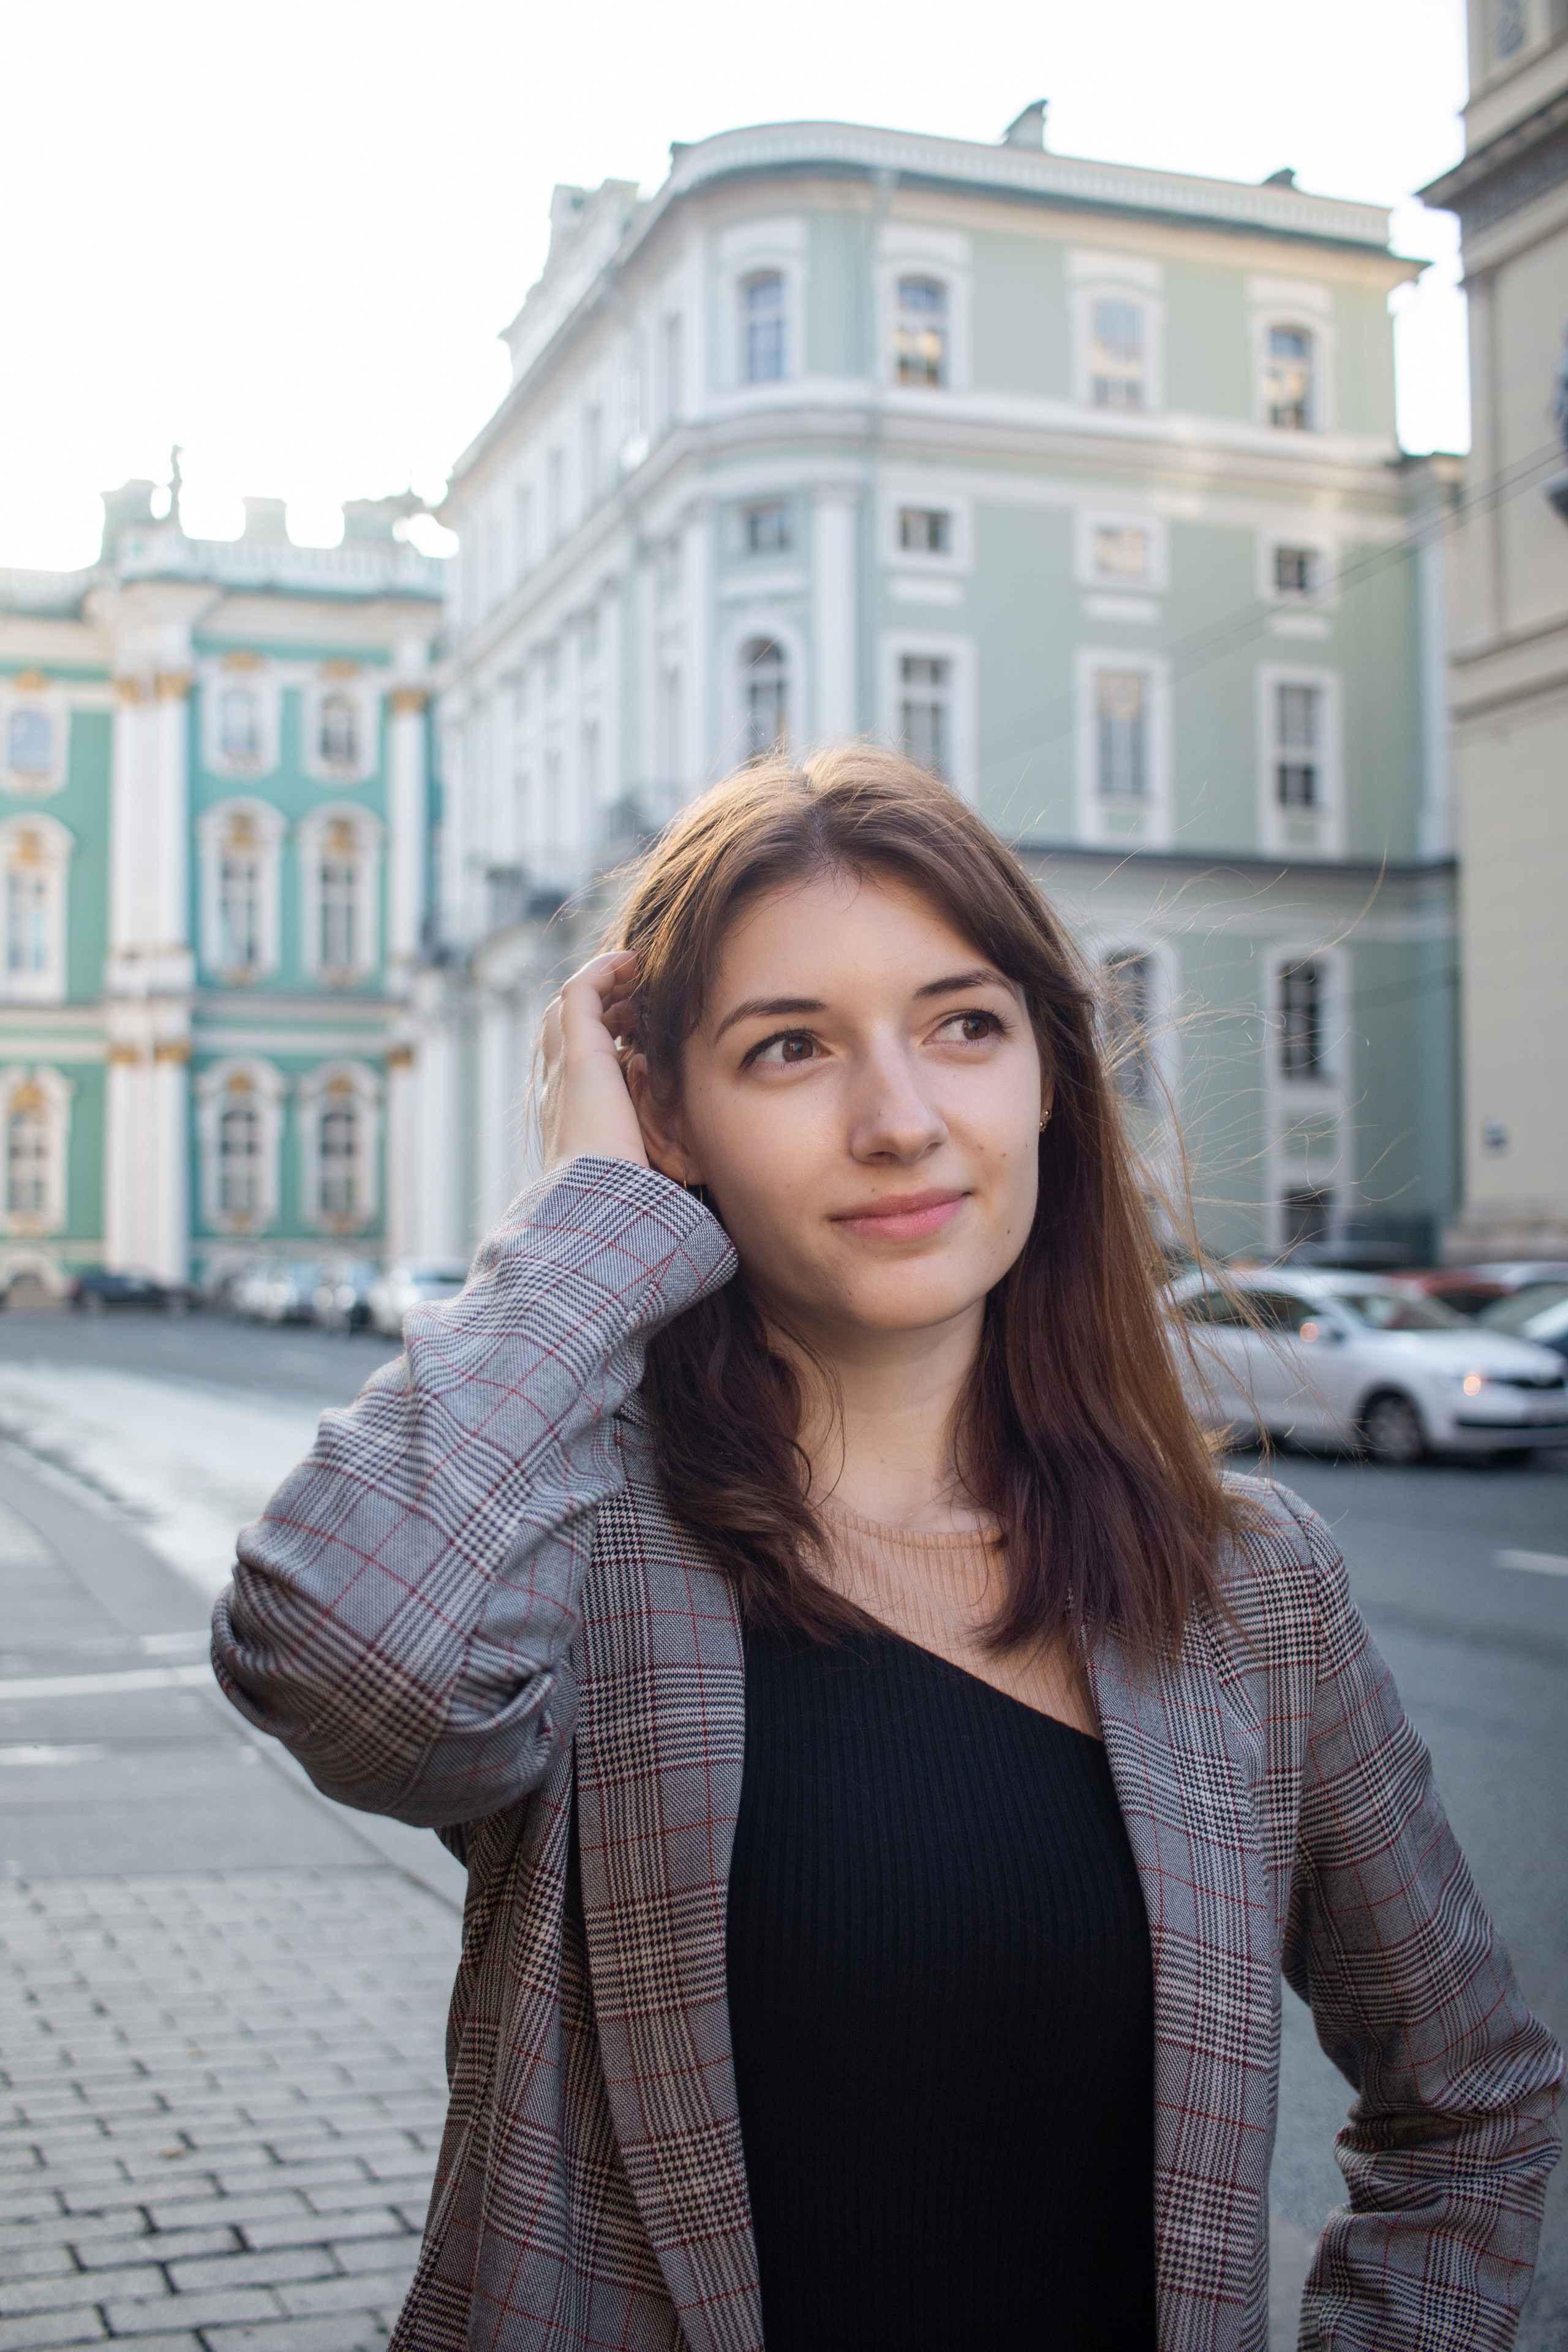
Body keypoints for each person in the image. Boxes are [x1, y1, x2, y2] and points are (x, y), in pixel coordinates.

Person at [214, 747, 1561, 2352]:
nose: (902, 1121)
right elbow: (346, 1658)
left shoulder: (1249, 1585)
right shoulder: (576, 1560)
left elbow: (1472, 2106)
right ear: (669, 1116)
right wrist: (587, 1218)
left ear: (1048, 1073)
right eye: (790, 1048)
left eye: (963, 1026)